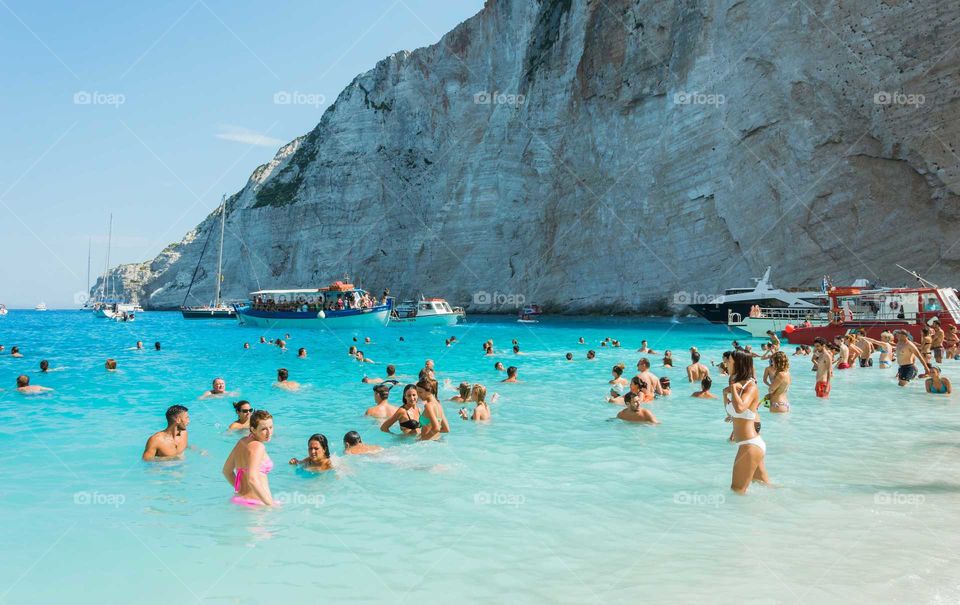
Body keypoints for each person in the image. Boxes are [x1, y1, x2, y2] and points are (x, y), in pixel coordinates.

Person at [723, 351, 769, 494]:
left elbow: (740, 407)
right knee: (765, 486)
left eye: (729, 361)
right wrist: (726, 394)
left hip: (749, 445)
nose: (726, 364)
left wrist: (732, 388)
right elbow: (731, 411)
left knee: (736, 491)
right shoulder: (738, 384)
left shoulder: (750, 386)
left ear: (738, 364)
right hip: (750, 445)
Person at [223, 410, 276, 505]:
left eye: (271, 427)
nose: (269, 432)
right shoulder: (259, 447)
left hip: (239, 500)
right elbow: (252, 479)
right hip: (257, 504)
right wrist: (271, 504)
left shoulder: (242, 442)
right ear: (253, 429)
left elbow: (226, 471)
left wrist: (241, 489)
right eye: (264, 429)